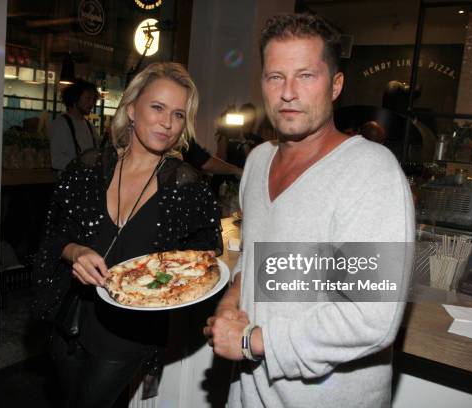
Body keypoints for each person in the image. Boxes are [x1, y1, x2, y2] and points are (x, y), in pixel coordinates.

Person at [204, 13, 414, 408]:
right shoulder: (258, 161)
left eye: (306, 75)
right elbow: (255, 259)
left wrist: (251, 341)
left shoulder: (371, 172)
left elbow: (370, 318)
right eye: (275, 77)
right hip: (249, 393)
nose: (287, 92)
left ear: (335, 85)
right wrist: (231, 303)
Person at [33, 62, 222, 408]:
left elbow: (206, 256)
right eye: (158, 107)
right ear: (132, 108)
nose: (168, 122)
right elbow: (51, 236)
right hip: (68, 317)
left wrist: (162, 279)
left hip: (128, 333)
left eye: (179, 114)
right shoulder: (87, 168)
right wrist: (74, 251)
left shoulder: (188, 186)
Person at [49, 79, 98, 172]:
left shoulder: (89, 126)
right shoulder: (60, 124)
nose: (92, 103)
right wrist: (83, 163)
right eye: (88, 98)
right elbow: (56, 161)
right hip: (71, 183)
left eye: (93, 99)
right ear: (75, 99)